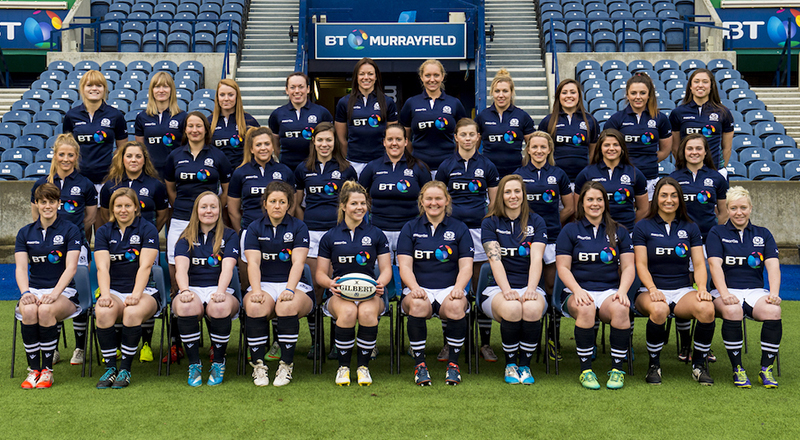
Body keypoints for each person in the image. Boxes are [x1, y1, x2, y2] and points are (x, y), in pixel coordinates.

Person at [633, 177, 715, 386]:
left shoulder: (690, 227)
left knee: (707, 308)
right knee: (659, 310)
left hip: (682, 290)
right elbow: (640, 265)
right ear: (656, 199)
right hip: (648, 290)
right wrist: (652, 289)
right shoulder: (643, 227)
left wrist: (703, 288)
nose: (669, 200)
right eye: (663, 195)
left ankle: (698, 365)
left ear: (680, 199)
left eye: (673, 195)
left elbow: (698, 264)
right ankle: (654, 365)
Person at [164, 112, 232, 361]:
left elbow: (226, 188)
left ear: (206, 129)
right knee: (177, 279)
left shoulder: (217, 156)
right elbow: (170, 187)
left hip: (211, 222)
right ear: (186, 130)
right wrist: (190, 212)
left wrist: (210, 209)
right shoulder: (175, 155)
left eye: (199, 126)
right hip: (181, 220)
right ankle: (176, 342)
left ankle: (215, 342)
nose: (194, 130)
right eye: (190, 126)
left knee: (210, 273)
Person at [556, 181, 635, 390]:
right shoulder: (570, 230)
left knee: (621, 308)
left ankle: (617, 370)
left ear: (605, 203)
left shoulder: (619, 231)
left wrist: (622, 292)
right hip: (577, 290)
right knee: (586, 308)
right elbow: (562, 267)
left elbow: (628, 267)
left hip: (609, 291)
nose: (595, 204)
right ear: (582, 203)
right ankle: (586, 370)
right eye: (590, 199)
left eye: (599, 199)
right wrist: (577, 290)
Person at [316, 181, 392, 386]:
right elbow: (320, 274)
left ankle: (363, 367)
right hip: (340, 295)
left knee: (367, 313)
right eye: (354, 204)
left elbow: (386, 270)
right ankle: (343, 367)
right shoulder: (329, 237)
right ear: (343, 206)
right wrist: (330, 283)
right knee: (348, 312)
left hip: (370, 293)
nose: (360, 207)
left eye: (363, 203)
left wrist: (380, 284)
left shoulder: (376, 234)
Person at [436, 118, 499, 362]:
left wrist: (485, 226)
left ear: (478, 137)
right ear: (456, 137)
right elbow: (439, 200)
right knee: (452, 288)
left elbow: (493, 203)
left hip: (479, 231)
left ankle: (484, 344)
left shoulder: (487, 166)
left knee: (480, 288)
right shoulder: (446, 166)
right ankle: (447, 344)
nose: (468, 138)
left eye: (472, 134)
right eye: (463, 134)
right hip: (452, 233)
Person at [398, 181, 473, 386]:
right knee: (418, 304)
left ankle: (453, 365)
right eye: (429, 199)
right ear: (422, 202)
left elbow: (466, 266)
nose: (434, 203)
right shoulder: (410, 228)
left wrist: (458, 289)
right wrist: (414, 288)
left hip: (449, 288)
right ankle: (420, 365)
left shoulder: (459, 228)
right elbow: (404, 266)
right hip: (418, 287)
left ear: (447, 200)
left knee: (457, 305)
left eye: (438, 198)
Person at [30, 134, 96, 366]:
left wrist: (71, 234)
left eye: (71, 155)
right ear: (55, 155)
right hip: (49, 250)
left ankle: (79, 347)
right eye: (62, 154)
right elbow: (35, 216)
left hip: (76, 247)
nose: (66, 159)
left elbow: (90, 217)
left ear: (76, 157)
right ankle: (53, 348)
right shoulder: (41, 184)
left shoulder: (85, 184)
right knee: (51, 293)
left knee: (77, 294)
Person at [294, 122, 358, 358]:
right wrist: (306, 227)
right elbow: (297, 205)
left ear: (335, 142)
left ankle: (336, 343)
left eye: (328, 140)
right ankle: (316, 342)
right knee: (317, 287)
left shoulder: (347, 169)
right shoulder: (303, 169)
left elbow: (353, 206)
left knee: (336, 286)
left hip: (337, 234)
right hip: (311, 234)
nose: (324, 144)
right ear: (314, 142)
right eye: (320, 140)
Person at [707, 186, 782, 388]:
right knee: (732, 310)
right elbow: (714, 266)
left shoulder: (763, 234)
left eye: (743, 207)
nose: (738, 212)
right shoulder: (717, 232)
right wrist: (724, 294)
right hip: (724, 290)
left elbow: (773, 267)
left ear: (750, 208)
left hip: (754, 291)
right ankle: (737, 368)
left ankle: (766, 369)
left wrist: (774, 294)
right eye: (733, 208)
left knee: (774, 310)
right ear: (726, 209)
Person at [243, 182, 314, 386]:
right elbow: (253, 263)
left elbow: (298, 262)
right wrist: (256, 290)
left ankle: (286, 365)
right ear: (265, 203)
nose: (277, 206)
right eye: (273, 201)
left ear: (288, 205)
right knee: (255, 307)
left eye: (282, 202)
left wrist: (289, 289)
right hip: (264, 283)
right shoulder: (254, 228)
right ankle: (258, 366)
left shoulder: (299, 227)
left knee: (287, 305)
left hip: (294, 285)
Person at [480, 175, 548, 385]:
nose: (513, 196)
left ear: (523, 195)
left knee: (531, 308)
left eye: (517, 191)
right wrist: (507, 289)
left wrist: (531, 289)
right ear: (501, 195)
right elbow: (495, 260)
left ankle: (525, 365)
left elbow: (537, 259)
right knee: (512, 309)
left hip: (529, 284)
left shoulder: (537, 221)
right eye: (508, 192)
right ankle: (511, 364)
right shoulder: (490, 222)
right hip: (496, 288)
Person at [513, 131, 574, 361]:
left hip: (552, 238)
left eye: (543, 147)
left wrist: (549, 225)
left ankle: (552, 338)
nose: (538, 151)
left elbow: (569, 207)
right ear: (528, 149)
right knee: (524, 286)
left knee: (550, 287)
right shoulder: (518, 175)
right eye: (534, 147)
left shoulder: (558, 174)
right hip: (523, 239)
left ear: (549, 150)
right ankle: (524, 338)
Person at [15, 183, 83, 388]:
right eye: (42, 202)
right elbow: (20, 268)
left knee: (45, 310)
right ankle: (33, 370)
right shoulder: (25, 232)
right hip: (34, 289)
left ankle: (47, 371)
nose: (47, 206)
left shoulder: (70, 230)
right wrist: (25, 292)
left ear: (59, 204)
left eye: (51, 202)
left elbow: (71, 268)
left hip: (65, 292)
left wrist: (55, 293)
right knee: (28, 309)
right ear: (36, 204)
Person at [669, 133, 729, 361]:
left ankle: (703, 345)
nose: (694, 152)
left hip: (707, 241)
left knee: (706, 293)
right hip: (680, 243)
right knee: (685, 290)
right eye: (689, 148)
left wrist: (715, 235)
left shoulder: (717, 178)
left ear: (705, 152)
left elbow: (723, 212)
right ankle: (685, 345)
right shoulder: (674, 178)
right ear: (683, 152)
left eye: (698, 148)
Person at [93, 188, 160, 389]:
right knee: (102, 311)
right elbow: (102, 267)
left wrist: (136, 294)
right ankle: (110, 368)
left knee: (131, 312)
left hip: (145, 291)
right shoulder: (103, 231)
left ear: (136, 208)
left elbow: (145, 266)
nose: (123, 210)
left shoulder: (148, 229)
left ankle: (125, 369)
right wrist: (105, 295)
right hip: (113, 290)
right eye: (118, 206)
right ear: (112, 208)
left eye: (127, 206)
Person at [174, 192, 240, 387]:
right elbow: (181, 269)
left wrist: (221, 292)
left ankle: (218, 362)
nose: (208, 211)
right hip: (192, 288)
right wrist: (185, 291)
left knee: (219, 307)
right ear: (196, 210)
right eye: (204, 207)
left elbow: (228, 268)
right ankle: (194, 364)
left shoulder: (229, 235)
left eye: (213, 206)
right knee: (186, 307)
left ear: (220, 210)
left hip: (220, 288)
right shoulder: (185, 237)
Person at [63, 69, 127, 232]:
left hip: (105, 180)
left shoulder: (115, 115)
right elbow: (66, 148)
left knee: (102, 229)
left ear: (104, 89)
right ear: (82, 89)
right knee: (82, 229)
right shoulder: (72, 116)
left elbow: (122, 150)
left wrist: (112, 174)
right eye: (89, 85)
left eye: (99, 85)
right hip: (79, 179)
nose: (94, 88)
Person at [359, 123, 432, 258]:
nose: (394, 143)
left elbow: (430, 199)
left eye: (398, 139)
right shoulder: (372, 167)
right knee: (381, 277)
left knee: (408, 276)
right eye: (390, 139)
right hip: (378, 231)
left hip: (410, 231)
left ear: (405, 142)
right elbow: (359, 196)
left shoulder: (419, 167)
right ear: (384, 142)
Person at [603, 73, 672, 198]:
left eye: (642, 93)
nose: (638, 97)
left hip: (650, 177)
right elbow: (605, 149)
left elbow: (665, 150)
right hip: (622, 177)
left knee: (647, 215)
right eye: (633, 93)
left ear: (649, 94)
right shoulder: (616, 119)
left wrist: (647, 162)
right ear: (627, 95)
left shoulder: (660, 119)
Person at [399, 59, 468, 172]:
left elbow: (463, 136)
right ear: (421, 77)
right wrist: (413, 159)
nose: (432, 79)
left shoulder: (454, 103)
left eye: (436, 75)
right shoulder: (411, 103)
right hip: (419, 167)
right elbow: (405, 139)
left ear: (443, 77)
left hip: (449, 167)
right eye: (427, 75)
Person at [574, 129, 648, 234]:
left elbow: (643, 209)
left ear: (622, 148)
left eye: (616, 145)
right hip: (596, 232)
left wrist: (628, 229)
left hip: (626, 231)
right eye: (607, 145)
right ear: (600, 148)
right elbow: (578, 209)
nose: (611, 148)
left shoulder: (635, 173)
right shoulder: (587, 173)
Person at [334, 57, 398, 176]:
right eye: (362, 74)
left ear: (376, 77)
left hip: (380, 160)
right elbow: (341, 139)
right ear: (356, 77)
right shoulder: (344, 102)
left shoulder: (387, 102)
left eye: (370, 74)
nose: (366, 77)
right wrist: (346, 161)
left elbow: (393, 136)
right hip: (354, 162)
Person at [669, 68, 734, 176]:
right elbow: (675, 148)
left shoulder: (723, 112)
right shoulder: (678, 113)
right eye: (696, 81)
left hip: (714, 171)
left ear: (711, 86)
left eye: (705, 82)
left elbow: (727, 148)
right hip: (686, 172)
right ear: (690, 86)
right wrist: (685, 167)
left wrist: (719, 170)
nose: (700, 85)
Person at [475, 68, 536, 177]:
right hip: (489, 175)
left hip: (515, 173)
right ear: (492, 93)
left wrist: (525, 168)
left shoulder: (522, 116)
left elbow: (533, 147)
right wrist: (482, 164)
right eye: (497, 91)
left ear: (511, 92)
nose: (501, 95)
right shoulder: (483, 116)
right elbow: (473, 149)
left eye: (505, 91)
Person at [268, 72, 334, 172]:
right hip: (287, 167)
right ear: (287, 90)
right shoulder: (277, 114)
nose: (297, 91)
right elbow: (276, 143)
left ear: (308, 89)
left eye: (301, 87)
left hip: (314, 167)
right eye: (292, 87)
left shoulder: (322, 112)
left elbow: (331, 139)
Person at [538, 79, 599, 183]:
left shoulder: (590, 120)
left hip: (582, 179)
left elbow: (593, 151)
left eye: (573, 92)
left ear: (579, 95)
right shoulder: (548, 121)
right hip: (555, 180)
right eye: (564, 93)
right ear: (558, 96)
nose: (569, 96)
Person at [100, 141, 169, 232]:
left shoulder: (156, 185)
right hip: (118, 241)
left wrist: (149, 233)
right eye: (129, 156)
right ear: (122, 159)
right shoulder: (110, 185)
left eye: (138, 156)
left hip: (145, 240)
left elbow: (163, 216)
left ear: (144, 160)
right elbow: (105, 214)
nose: (133, 160)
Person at [134, 71, 187, 179]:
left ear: (171, 90)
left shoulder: (182, 116)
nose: (161, 90)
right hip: (150, 173)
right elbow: (141, 148)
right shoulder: (142, 117)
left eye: (165, 87)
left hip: (175, 171)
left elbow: (186, 147)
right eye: (157, 87)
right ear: (152, 90)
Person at [209, 79, 260, 169]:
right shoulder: (209, 122)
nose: (226, 98)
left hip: (243, 174)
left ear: (237, 97)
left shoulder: (249, 121)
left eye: (230, 95)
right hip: (218, 174)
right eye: (222, 95)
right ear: (217, 97)